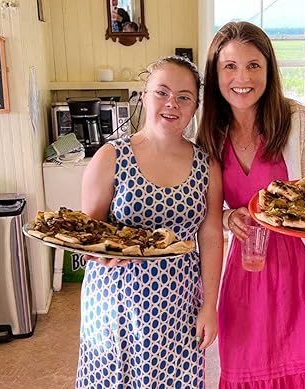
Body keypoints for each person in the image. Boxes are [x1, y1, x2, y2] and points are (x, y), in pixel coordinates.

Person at [197, 21, 305, 388]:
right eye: (230, 66)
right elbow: (206, 209)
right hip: (252, 274)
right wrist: (229, 217)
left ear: (269, 70)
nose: (242, 77)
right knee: (250, 370)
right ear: (216, 73)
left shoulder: (299, 122)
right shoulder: (211, 132)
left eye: (253, 65)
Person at [76, 56, 224, 388]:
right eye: (162, 92)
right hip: (115, 306)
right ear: (144, 96)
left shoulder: (207, 165)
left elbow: (212, 234)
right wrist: (97, 251)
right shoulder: (111, 156)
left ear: (195, 106)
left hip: (179, 305)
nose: (172, 103)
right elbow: (87, 233)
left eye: (184, 96)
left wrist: (210, 305)